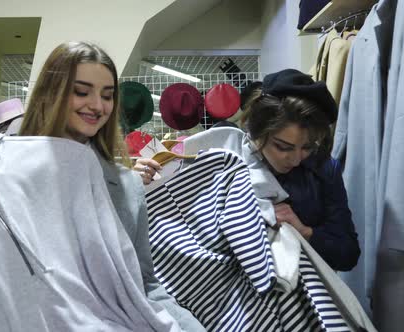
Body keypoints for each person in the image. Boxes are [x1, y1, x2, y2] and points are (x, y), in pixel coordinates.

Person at [0, 41, 205, 331]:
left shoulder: (126, 186)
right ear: (51, 94)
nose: (97, 105)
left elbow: (143, 283)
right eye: (81, 92)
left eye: (107, 95)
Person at [135, 69, 360, 272]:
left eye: (307, 147)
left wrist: (305, 232)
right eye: (283, 147)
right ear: (257, 131)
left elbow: (348, 253)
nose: (295, 159)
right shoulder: (222, 156)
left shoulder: (323, 168)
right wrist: (140, 182)